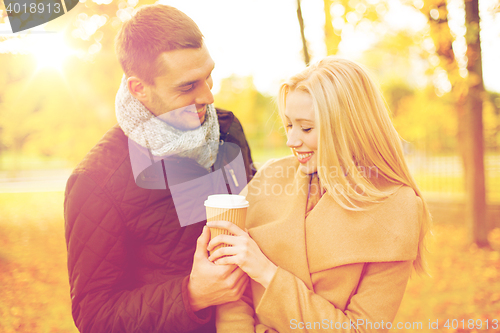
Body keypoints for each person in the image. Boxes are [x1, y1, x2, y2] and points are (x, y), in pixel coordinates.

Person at [64, 4, 255, 333]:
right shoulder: (96, 180)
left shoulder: (227, 128)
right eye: (187, 86)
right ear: (139, 88)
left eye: (208, 75)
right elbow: (94, 316)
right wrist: (191, 295)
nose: (208, 96)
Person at [207, 57, 431, 332]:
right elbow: (233, 289)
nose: (291, 141)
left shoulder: (397, 208)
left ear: (349, 126)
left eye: (307, 128)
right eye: (289, 125)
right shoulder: (269, 177)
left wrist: (267, 272)